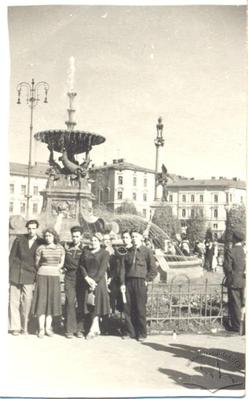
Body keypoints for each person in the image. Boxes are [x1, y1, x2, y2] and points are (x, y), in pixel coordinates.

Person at [120, 229, 157, 341]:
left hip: (140, 282)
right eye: (132, 236)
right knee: (128, 308)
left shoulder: (147, 251)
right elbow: (123, 269)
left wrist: (147, 279)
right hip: (128, 282)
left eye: (136, 236)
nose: (133, 238)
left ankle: (142, 333)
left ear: (141, 237)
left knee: (140, 308)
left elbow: (153, 269)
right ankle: (130, 331)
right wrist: (122, 283)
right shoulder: (128, 251)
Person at [9, 219, 43, 335]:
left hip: (29, 275)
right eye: (29, 228)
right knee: (14, 301)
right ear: (27, 229)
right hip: (15, 273)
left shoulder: (40, 242)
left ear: (37, 229)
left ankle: (25, 327)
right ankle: (15, 327)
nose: (31, 231)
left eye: (33, 228)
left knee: (27, 301)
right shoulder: (19, 239)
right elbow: (11, 257)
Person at [31, 228, 65, 338]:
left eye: (50, 235)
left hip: (54, 276)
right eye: (46, 236)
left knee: (51, 302)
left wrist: (54, 269)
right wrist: (44, 269)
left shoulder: (60, 248)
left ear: (54, 236)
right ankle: (41, 329)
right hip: (42, 276)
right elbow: (37, 263)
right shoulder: (40, 248)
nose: (47, 238)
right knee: (42, 301)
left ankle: (48, 328)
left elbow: (61, 263)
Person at [79, 232, 110, 339]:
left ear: (100, 242)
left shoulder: (105, 253)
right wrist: (86, 278)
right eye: (92, 240)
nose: (93, 242)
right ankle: (96, 328)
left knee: (96, 305)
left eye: (96, 240)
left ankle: (92, 330)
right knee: (90, 305)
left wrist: (94, 282)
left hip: (99, 282)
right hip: (87, 281)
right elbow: (82, 266)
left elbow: (102, 269)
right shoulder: (86, 252)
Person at [63, 226, 85, 339]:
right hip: (70, 277)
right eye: (73, 236)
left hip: (82, 277)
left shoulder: (85, 249)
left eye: (77, 236)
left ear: (81, 236)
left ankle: (80, 329)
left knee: (81, 303)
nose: (75, 238)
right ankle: (69, 330)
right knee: (70, 302)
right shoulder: (67, 247)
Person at [223, 229, 246, 332]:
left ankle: (236, 326)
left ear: (234, 239)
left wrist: (229, 275)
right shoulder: (244, 251)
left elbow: (227, 267)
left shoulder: (231, 251)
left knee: (235, 303)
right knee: (242, 302)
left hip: (234, 281)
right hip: (243, 280)